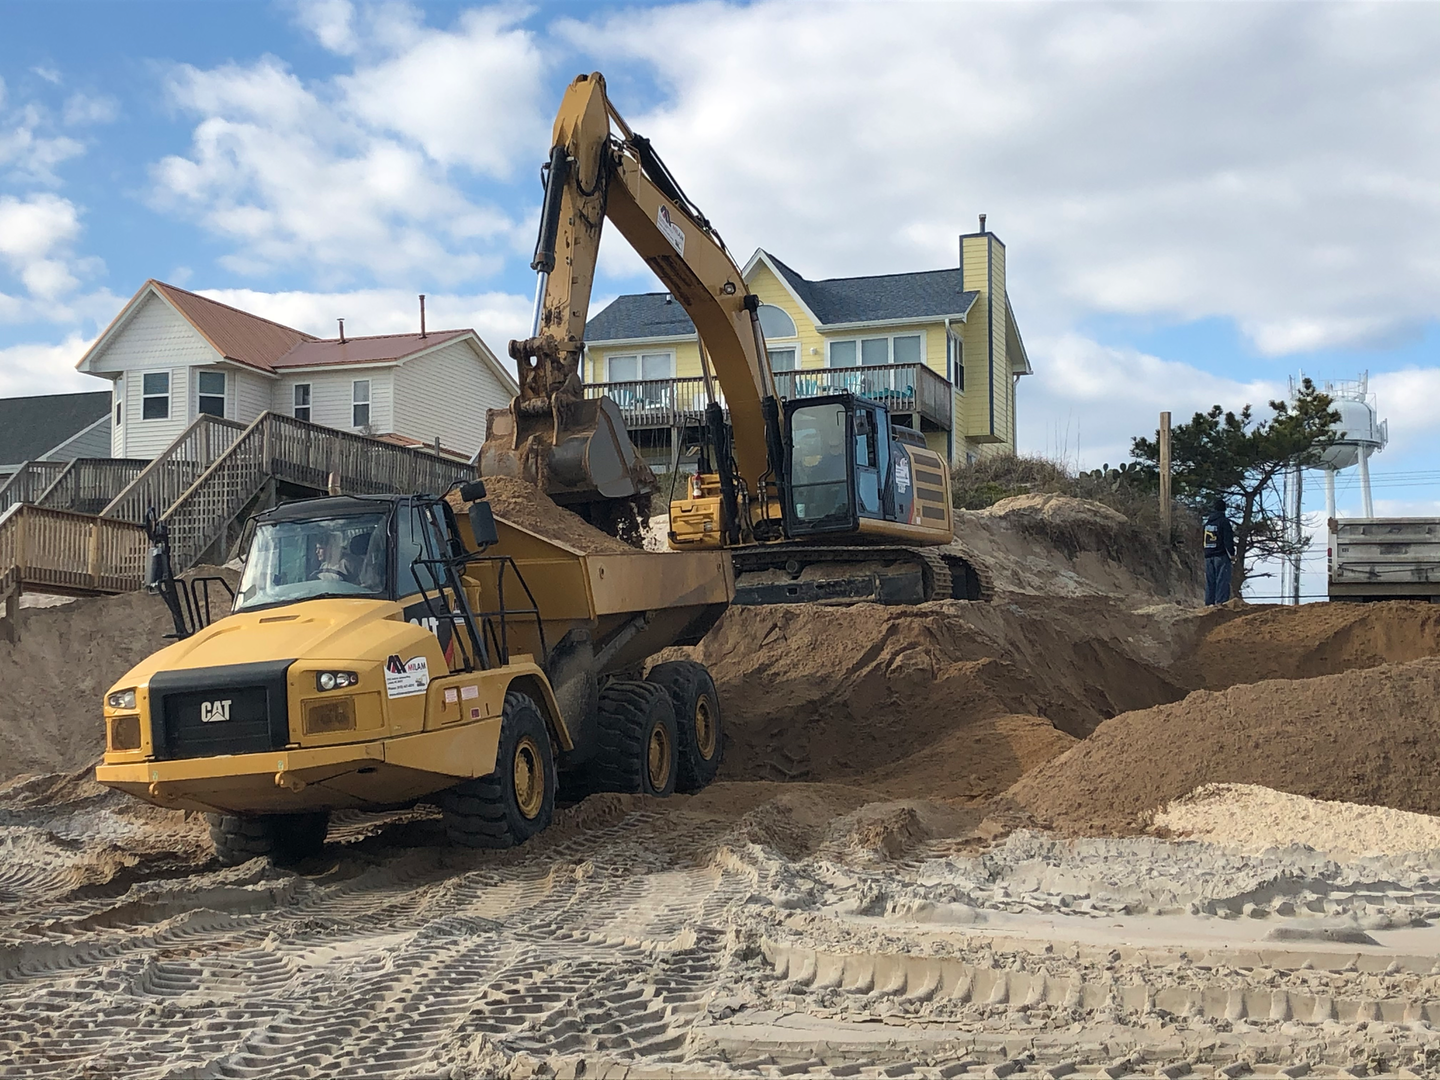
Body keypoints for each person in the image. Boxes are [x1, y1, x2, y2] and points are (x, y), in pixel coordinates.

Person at [1203, 497, 1236, 605]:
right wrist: (1232, 554)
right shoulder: (1224, 522)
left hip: (1208, 556)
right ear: (1224, 509)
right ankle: (1221, 604)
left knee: (1210, 582)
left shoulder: (1207, 524)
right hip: (1221, 555)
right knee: (1222, 580)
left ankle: (1209, 604)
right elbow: (1228, 540)